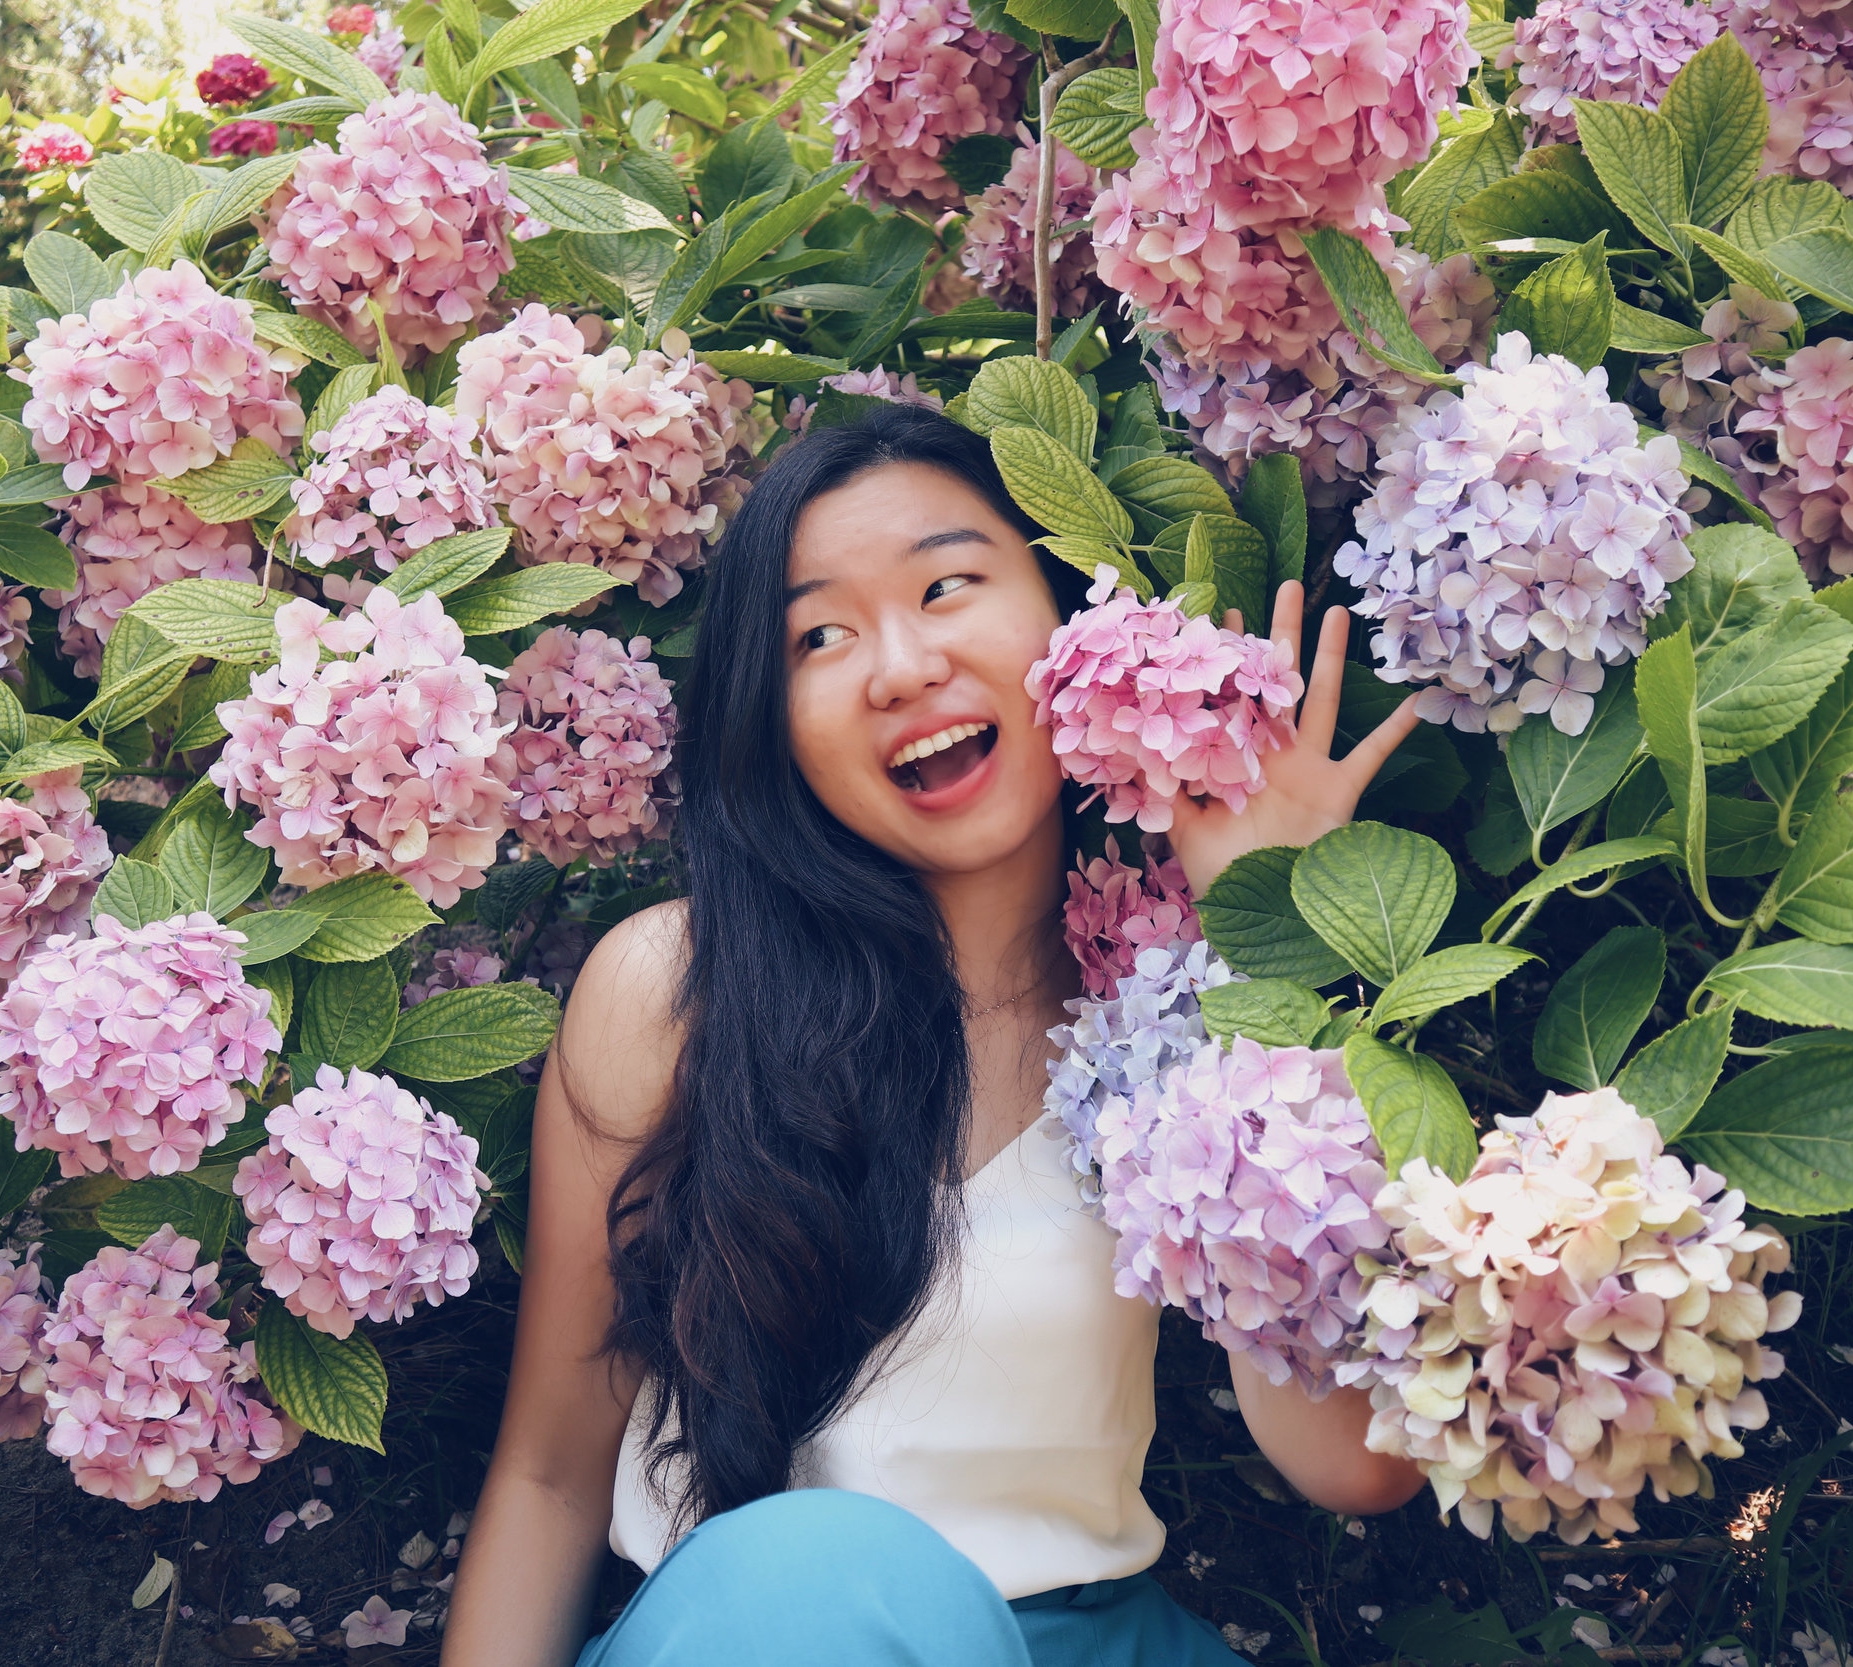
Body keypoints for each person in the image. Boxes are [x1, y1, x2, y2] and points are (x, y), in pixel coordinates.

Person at [443, 404, 1427, 1667]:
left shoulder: (1170, 1018)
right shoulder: (675, 993)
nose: (900, 666)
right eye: (820, 635)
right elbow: (548, 1474)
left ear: (1068, 626)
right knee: (827, 1569)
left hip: (1089, 1637)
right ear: (772, 721)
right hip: (764, 1633)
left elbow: (1353, 1464)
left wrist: (1268, 954)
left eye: (948, 584)